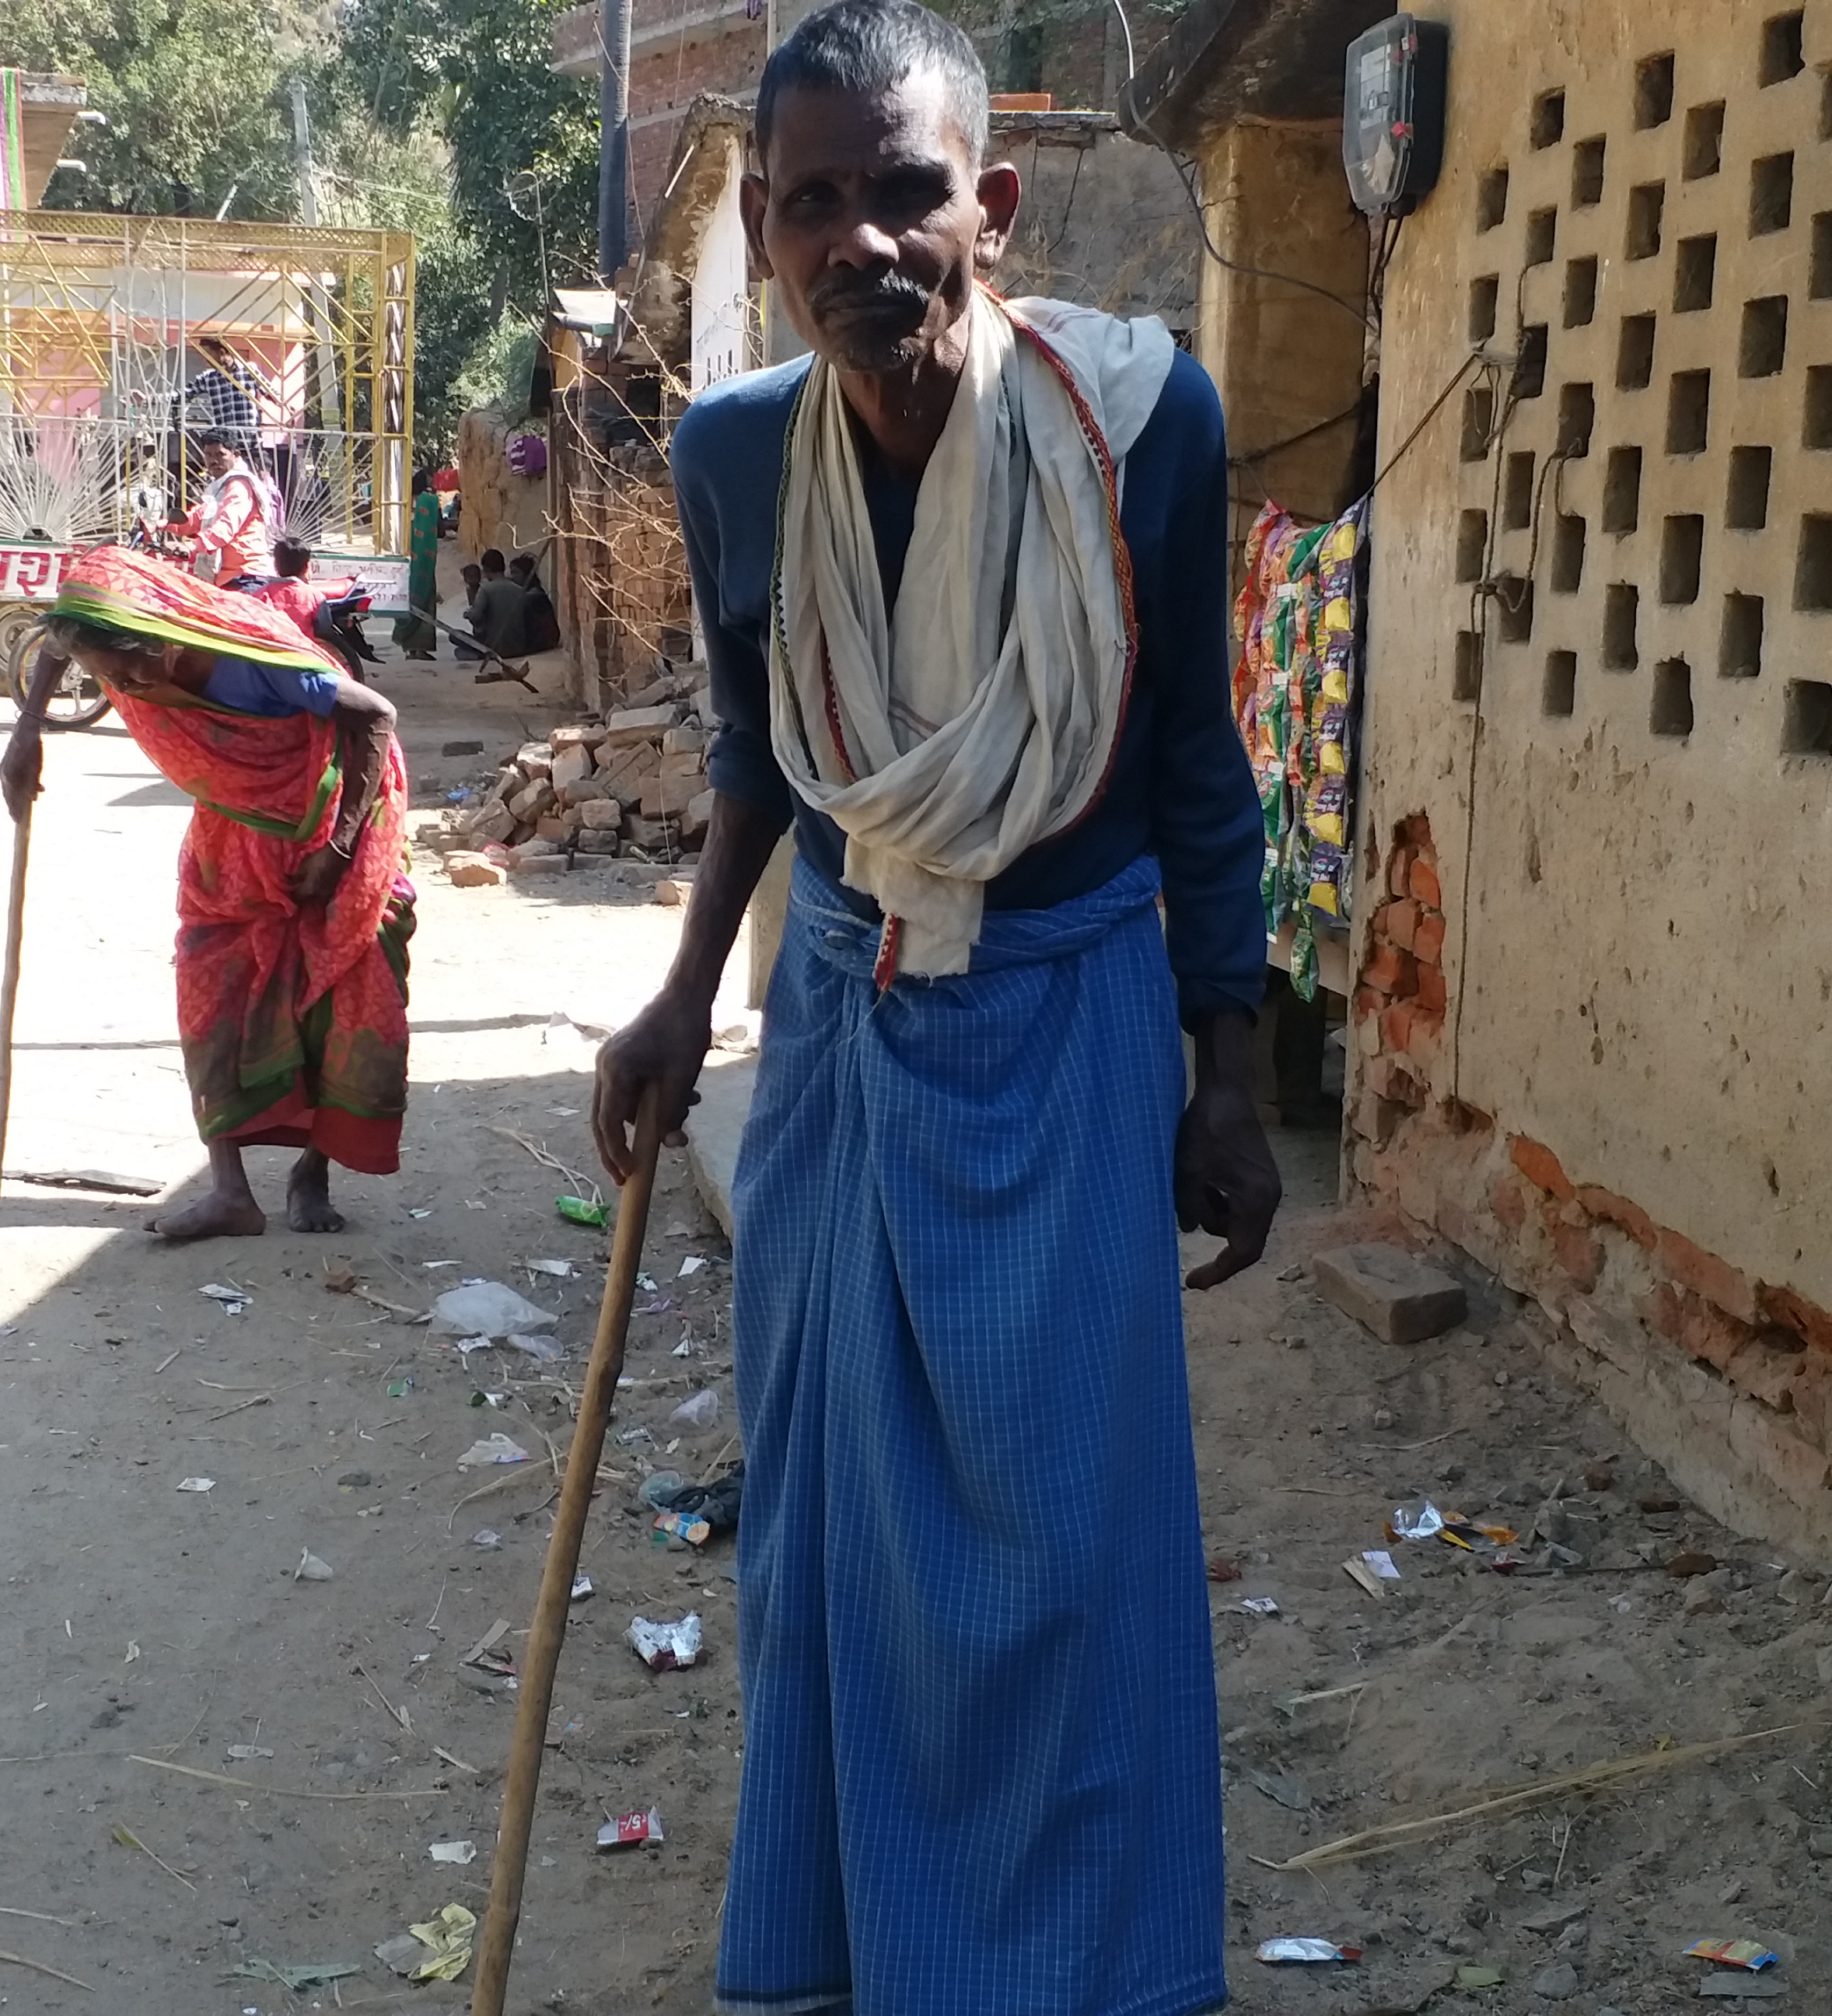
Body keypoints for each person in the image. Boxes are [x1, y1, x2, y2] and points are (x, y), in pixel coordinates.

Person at [586, 5, 1277, 2012]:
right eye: (810, 205)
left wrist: (1224, 1073)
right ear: (775, 234)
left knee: (1065, 1550)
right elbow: (753, 758)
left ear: (991, 202)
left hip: (1065, 1029)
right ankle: (860, 1954)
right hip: (842, 1034)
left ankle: (1072, 1970)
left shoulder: (1146, 428)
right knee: (828, 1536)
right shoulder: (734, 457)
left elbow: (1194, 764)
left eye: (901, 193)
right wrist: (674, 997)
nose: (854, 244)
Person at [0, 545, 414, 1240]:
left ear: (165, 647)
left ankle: (312, 1173)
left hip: (329, 813)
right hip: (231, 835)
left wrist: (338, 849)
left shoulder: (256, 659)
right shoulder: (112, 636)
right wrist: (27, 731)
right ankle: (231, 1192)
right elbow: (63, 639)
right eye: (107, 675)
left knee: (343, 986)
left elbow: (375, 716)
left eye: (128, 671)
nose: (123, 688)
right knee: (210, 983)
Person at [189, 433, 283, 586]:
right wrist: (164, 525)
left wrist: (192, 546)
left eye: (220, 455)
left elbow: (225, 527)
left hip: (247, 576)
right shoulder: (218, 488)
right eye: (208, 455)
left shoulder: (239, 486)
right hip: (227, 578)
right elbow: (199, 516)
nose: (213, 461)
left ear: (236, 455)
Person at [395, 471, 444, 660]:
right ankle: (420, 648)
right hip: (424, 557)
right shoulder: (430, 501)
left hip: (407, 557)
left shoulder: (404, 502)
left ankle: (408, 647)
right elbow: (439, 530)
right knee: (426, 597)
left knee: (409, 597)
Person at [469, 548, 533, 657]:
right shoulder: (519, 590)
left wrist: (467, 614)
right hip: (519, 648)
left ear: (486, 569)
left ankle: (479, 655)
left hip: (494, 648)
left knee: (457, 638)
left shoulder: (486, 589)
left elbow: (475, 616)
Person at [510, 550, 561, 653]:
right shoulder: (526, 593)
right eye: (512, 573)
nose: (513, 577)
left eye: (516, 573)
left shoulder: (534, 596)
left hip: (545, 641)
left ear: (526, 574)